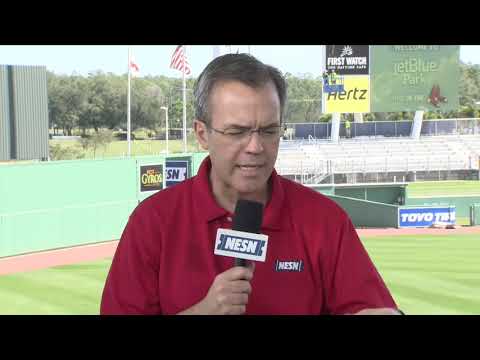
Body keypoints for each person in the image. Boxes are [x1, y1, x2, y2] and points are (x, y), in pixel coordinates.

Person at [100, 53, 402, 315]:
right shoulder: (153, 222)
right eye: (237, 132)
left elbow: (369, 306)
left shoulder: (324, 220)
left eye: (269, 131)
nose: (256, 147)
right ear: (203, 134)